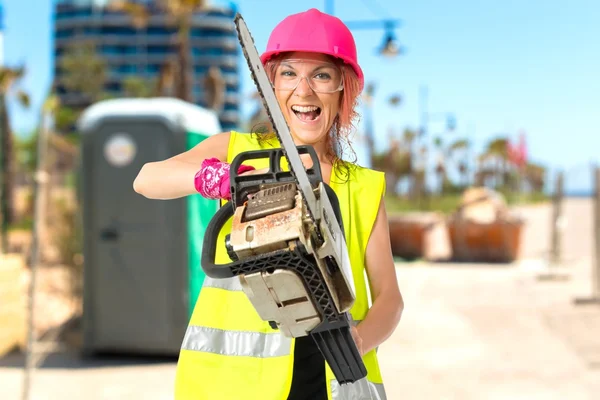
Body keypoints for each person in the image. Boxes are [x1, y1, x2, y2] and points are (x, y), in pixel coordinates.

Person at [133, 8, 403, 400]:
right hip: (233, 385)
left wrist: (359, 341)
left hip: (332, 383)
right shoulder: (237, 151)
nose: (304, 90)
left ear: (344, 88)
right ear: (271, 86)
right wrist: (215, 177)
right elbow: (146, 179)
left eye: (321, 75)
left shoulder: (363, 187)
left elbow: (390, 299)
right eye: (290, 74)